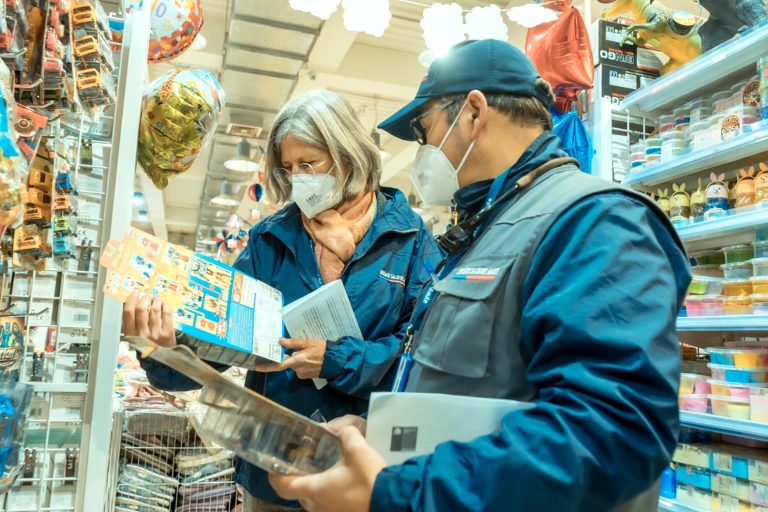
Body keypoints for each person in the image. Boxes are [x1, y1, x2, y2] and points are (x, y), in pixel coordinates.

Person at [269, 39, 691, 512]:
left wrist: (400, 492)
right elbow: (479, 391)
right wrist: (382, 437)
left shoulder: (594, 223)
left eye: (424, 131)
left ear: (473, 112)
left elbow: (611, 432)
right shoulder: (486, 231)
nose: (425, 150)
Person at [122, 90, 442, 511]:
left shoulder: (412, 241)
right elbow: (215, 354)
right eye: (288, 168)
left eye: (309, 164)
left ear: (347, 153)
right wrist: (163, 352)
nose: (298, 179)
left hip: (363, 466)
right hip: (274, 469)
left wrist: (338, 359)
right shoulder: (269, 240)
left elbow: (423, 353)